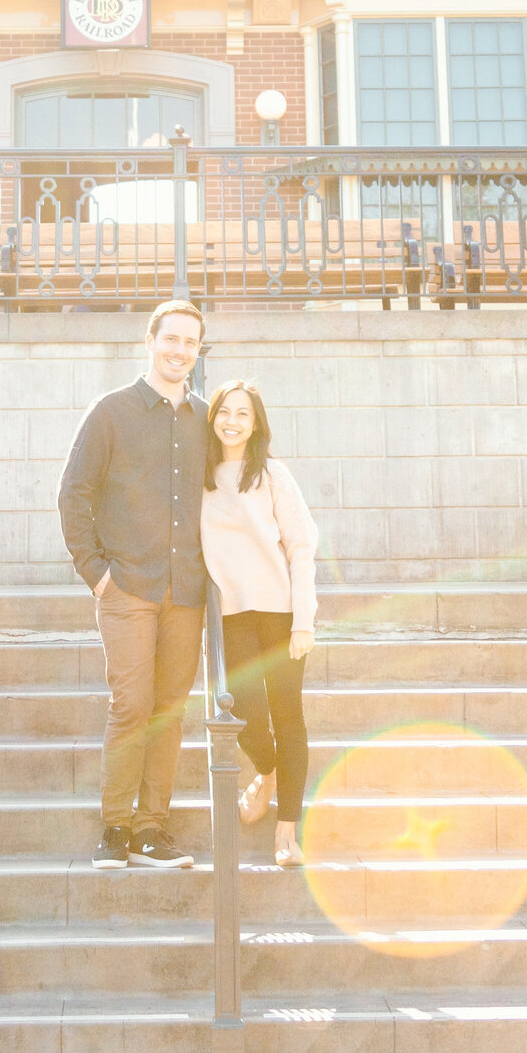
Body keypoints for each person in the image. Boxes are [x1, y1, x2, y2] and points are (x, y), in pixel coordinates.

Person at [57, 297, 208, 870]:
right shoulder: (111, 412)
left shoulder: (204, 418)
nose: (179, 351)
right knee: (132, 704)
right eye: (171, 339)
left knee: (169, 709)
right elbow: (74, 493)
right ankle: (116, 828)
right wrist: (95, 574)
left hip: (186, 592)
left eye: (191, 343)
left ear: (197, 352)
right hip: (127, 589)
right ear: (150, 341)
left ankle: (152, 830)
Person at [199, 378, 317, 868]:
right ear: (213, 419)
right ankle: (266, 772)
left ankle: (287, 833)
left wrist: (304, 620)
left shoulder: (271, 473)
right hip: (230, 614)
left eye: (242, 414)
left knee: (287, 716)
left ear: (256, 423)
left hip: (280, 611)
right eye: (224, 411)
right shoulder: (198, 476)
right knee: (242, 712)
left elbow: (302, 544)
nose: (232, 421)